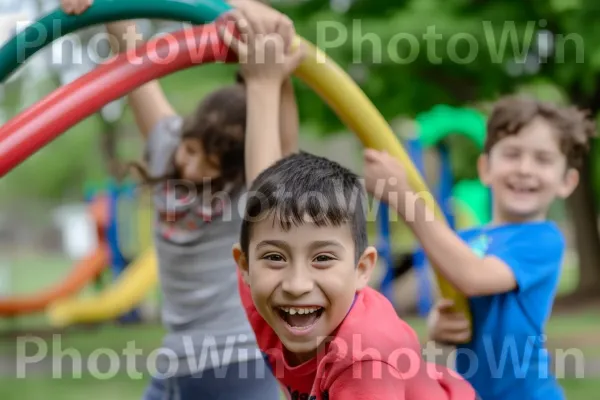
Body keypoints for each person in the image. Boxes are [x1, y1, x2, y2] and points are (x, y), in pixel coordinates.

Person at [219, 12, 476, 400]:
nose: (296, 283)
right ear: (245, 266)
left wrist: (265, 84)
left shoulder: (363, 358)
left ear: (362, 270)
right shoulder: (274, 300)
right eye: (274, 257)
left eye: (322, 258)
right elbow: (266, 191)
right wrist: (267, 83)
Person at [62, 0, 301, 399]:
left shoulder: (248, 188)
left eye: (209, 164)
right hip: (175, 359)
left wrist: (274, 77)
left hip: (238, 358)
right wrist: (108, 6)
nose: (190, 169)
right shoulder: (165, 143)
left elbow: (282, 141)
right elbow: (134, 60)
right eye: (190, 149)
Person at [363, 96, 596, 400]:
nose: (525, 168)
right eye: (512, 154)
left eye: (543, 159)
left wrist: (405, 199)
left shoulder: (543, 239)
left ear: (567, 181)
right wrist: (438, 322)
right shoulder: (466, 238)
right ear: (485, 168)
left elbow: (473, 277)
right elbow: (455, 297)